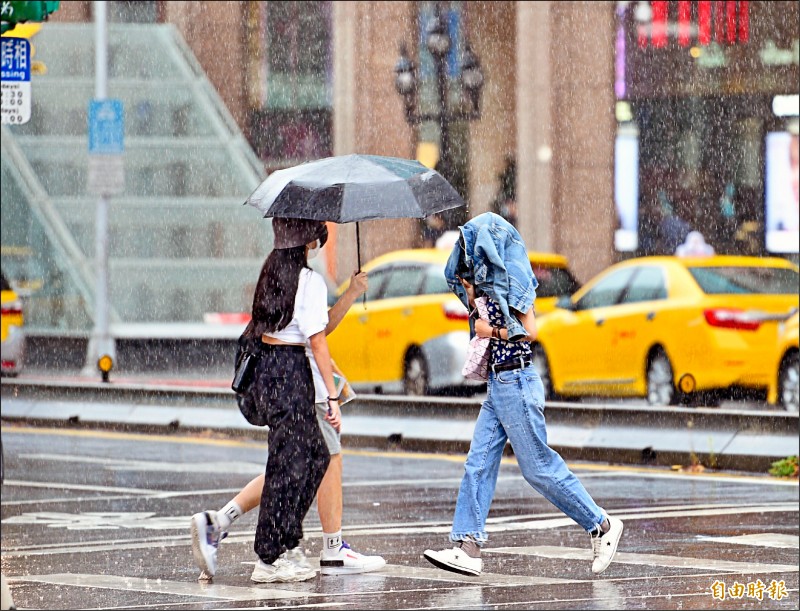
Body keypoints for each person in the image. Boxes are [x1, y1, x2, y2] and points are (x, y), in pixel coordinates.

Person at [423, 212, 624, 577]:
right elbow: (466, 293)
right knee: (478, 463)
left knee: (538, 469)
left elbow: (528, 331)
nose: (472, 257)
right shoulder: (484, 287)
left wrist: (491, 330)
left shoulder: (514, 281)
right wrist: (472, 296)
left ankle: (602, 526)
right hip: (498, 385)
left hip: (516, 382)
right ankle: (468, 547)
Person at [190, 244, 386, 582]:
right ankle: (323, 547)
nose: (319, 243)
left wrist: (352, 292)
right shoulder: (303, 277)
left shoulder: (279, 272)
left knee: (294, 464)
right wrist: (331, 394)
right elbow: (317, 339)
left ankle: (229, 524)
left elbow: (318, 328)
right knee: (320, 460)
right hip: (306, 383)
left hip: (294, 380)